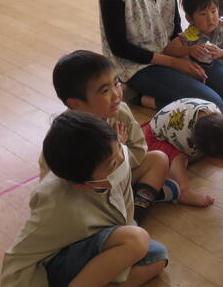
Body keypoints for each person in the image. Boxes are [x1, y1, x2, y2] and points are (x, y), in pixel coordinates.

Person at [1, 110, 169, 287]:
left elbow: (125, 210)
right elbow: (18, 258)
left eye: (118, 150)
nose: (121, 161)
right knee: (137, 240)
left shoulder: (116, 158)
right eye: (112, 164)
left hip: (100, 242)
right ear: (81, 185)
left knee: (157, 257)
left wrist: (116, 281)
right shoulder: (55, 206)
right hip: (62, 264)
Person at [42, 50, 182, 215]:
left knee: (158, 159)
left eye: (116, 83)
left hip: (118, 178)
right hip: (88, 192)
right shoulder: (65, 133)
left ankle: (137, 210)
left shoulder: (120, 112)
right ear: (76, 103)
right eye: (104, 91)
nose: (116, 94)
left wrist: (120, 153)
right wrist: (116, 150)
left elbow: (140, 150)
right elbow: (54, 183)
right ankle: (139, 197)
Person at [144, 97, 223, 207]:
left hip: (174, 121)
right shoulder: (186, 139)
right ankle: (184, 191)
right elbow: (192, 154)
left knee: (219, 142)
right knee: (180, 157)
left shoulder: (213, 111)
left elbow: (219, 140)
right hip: (155, 137)